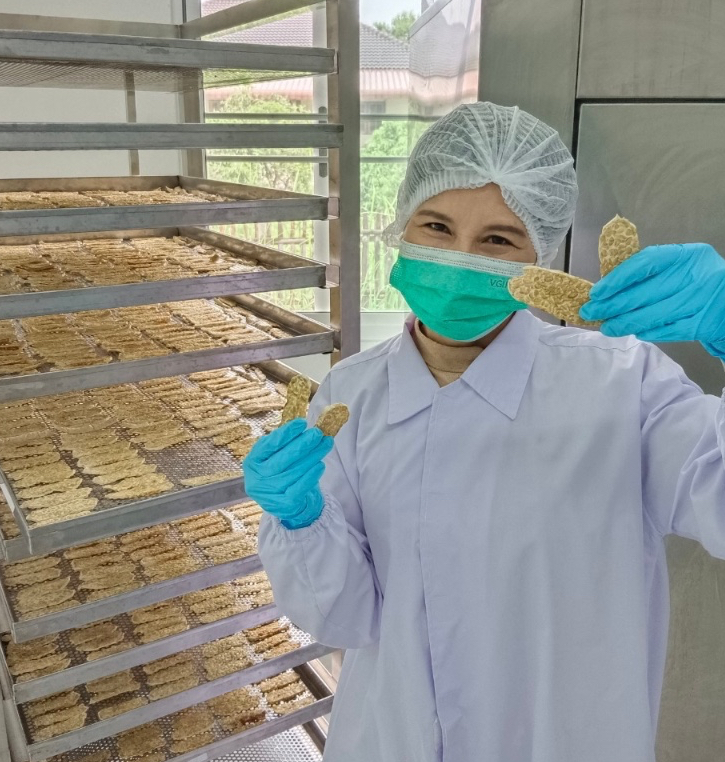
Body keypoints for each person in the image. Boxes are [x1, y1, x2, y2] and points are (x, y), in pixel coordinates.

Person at [243, 102, 725, 762]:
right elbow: (342, 617)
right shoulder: (351, 396)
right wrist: (300, 521)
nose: (459, 257)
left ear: (540, 255)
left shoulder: (624, 385)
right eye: (436, 226)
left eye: (498, 240)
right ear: (402, 223)